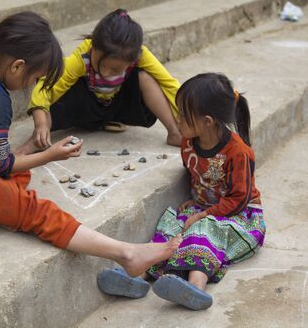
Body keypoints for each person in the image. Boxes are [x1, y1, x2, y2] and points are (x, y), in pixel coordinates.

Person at [0, 12, 182, 277]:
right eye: (33, 79)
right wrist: (50, 155)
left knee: (19, 174)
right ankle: (126, 254)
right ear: (17, 66)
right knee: (36, 210)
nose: (29, 85)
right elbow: (0, 165)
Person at [97, 73, 266, 309]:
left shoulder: (238, 152)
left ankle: (196, 287)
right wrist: (196, 202)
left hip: (240, 217)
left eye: (184, 116)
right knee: (171, 225)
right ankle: (138, 277)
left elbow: (239, 198)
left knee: (202, 229)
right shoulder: (189, 142)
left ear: (207, 121)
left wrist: (203, 214)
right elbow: (198, 175)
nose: (177, 119)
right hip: (205, 209)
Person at [28, 8, 182, 149]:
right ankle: (35, 141)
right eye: (101, 65)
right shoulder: (82, 57)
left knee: (146, 77)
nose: (106, 73)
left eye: (115, 69)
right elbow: (44, 89)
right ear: (93, 46)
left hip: (120, 109)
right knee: (52, 82)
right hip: (85, 111)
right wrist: (41, 124)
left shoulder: (140, 55)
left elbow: (169, 84)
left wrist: (189, 118)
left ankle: (175, 133)